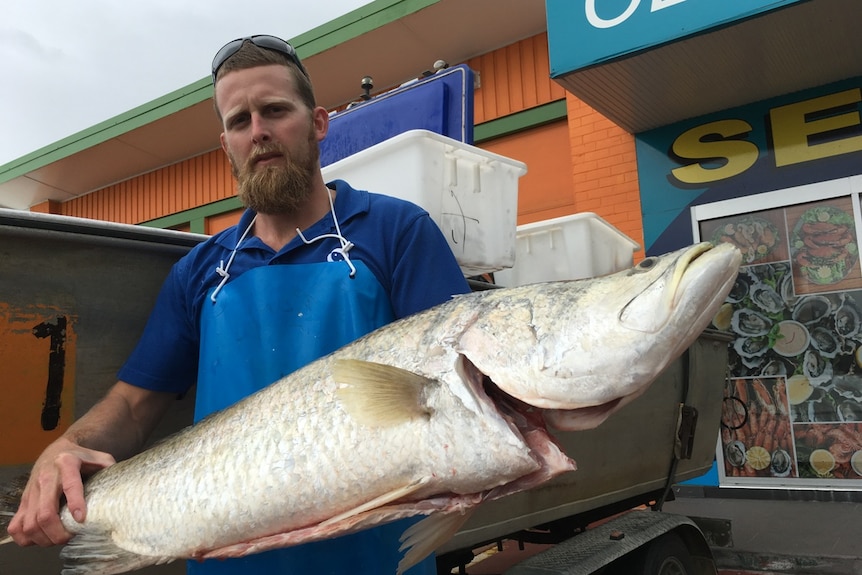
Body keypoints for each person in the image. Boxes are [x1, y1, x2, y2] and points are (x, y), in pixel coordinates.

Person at [7, 34, 471, 574]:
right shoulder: (200, 272)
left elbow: (454, 392)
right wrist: (67, 444)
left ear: (319, 123)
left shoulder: (396, 232)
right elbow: (135, 406)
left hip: (375, 558)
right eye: (239, 120)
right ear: (225, 143)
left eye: (275, 110)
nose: (260, 132)